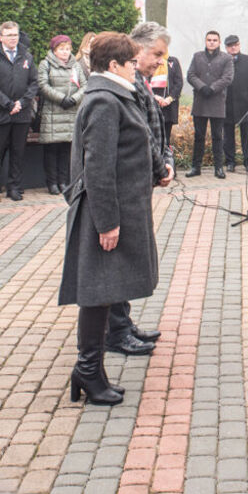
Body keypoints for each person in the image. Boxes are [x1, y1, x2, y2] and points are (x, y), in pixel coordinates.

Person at [58, 32, 159, 405]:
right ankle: (88, 370)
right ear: (114, 65)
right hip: (107, 212)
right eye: (132, 62)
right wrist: (107, 223)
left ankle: (90, 371)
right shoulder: (103, 101)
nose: (137, 67)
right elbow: (97, 168)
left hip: (119, 207)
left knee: (103, 293)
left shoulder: (114, 96)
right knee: (97, 294)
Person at [105, 21, 175, 357]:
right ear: (137, 48)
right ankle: (115, 331)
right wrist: (160, 168)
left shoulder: (139, 82)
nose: (160, 61)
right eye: (156, 54)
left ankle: (123, 323)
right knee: (118, 260)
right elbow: (140, 137)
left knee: (127, 257)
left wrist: (165, 162)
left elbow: (156, 129)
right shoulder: (125, 86)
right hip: (125, 186)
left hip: (140, 182)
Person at [38, 34, 87, 194]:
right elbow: (43, 85)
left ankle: (64, 182)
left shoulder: (75, 66)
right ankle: (52, 183)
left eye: (67, 49)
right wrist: (61, 99)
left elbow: (85, 85)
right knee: (52, 150)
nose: (65, 52)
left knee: (67, 150)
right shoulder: (46, 64)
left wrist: (73, 99)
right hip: (53, 114)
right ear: (55, 50)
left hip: (71, 113)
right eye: (62, 49)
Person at [186, 30, 234, 178]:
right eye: (209, 40)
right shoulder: (197, 56)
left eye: (214, 40)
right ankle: (196, 167)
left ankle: (218, 168)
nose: (212, 42)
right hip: (200, 101)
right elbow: (190, 75)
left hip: (217, 102)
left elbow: (228, 78)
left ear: (219, 42)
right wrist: (202, 87)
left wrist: (212, 88)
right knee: (199, 136)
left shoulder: (226, 58)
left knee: (217, 137)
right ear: (205, 41)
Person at [0, 21, 38, 201]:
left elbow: (34, 83)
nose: (13, 38)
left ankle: (14, 187)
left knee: (18, 152)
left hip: (21, 114)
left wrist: (22, 103)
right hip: (2, 113)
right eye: (9, 35)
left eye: (15, 35)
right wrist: (8, 104)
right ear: (1, 37)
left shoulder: (27, 57)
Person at [222, 35, 248, 173]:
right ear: (226, 47)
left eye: (236, 44)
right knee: (228, 135)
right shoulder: (222, 61)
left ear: (239, 45)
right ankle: (230, 162)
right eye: (230, 45)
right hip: (226, 104)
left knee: (247, 135)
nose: (233, 47)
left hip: (245, 104)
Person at [149, 49, 184, 146]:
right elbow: (145, 82)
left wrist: (169, 98)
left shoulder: (173, 61)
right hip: (152, 103)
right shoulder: (149, 61)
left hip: (168, 105)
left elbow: (179, 83)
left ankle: (165, 160)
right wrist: (154, 97)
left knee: (166, 139)